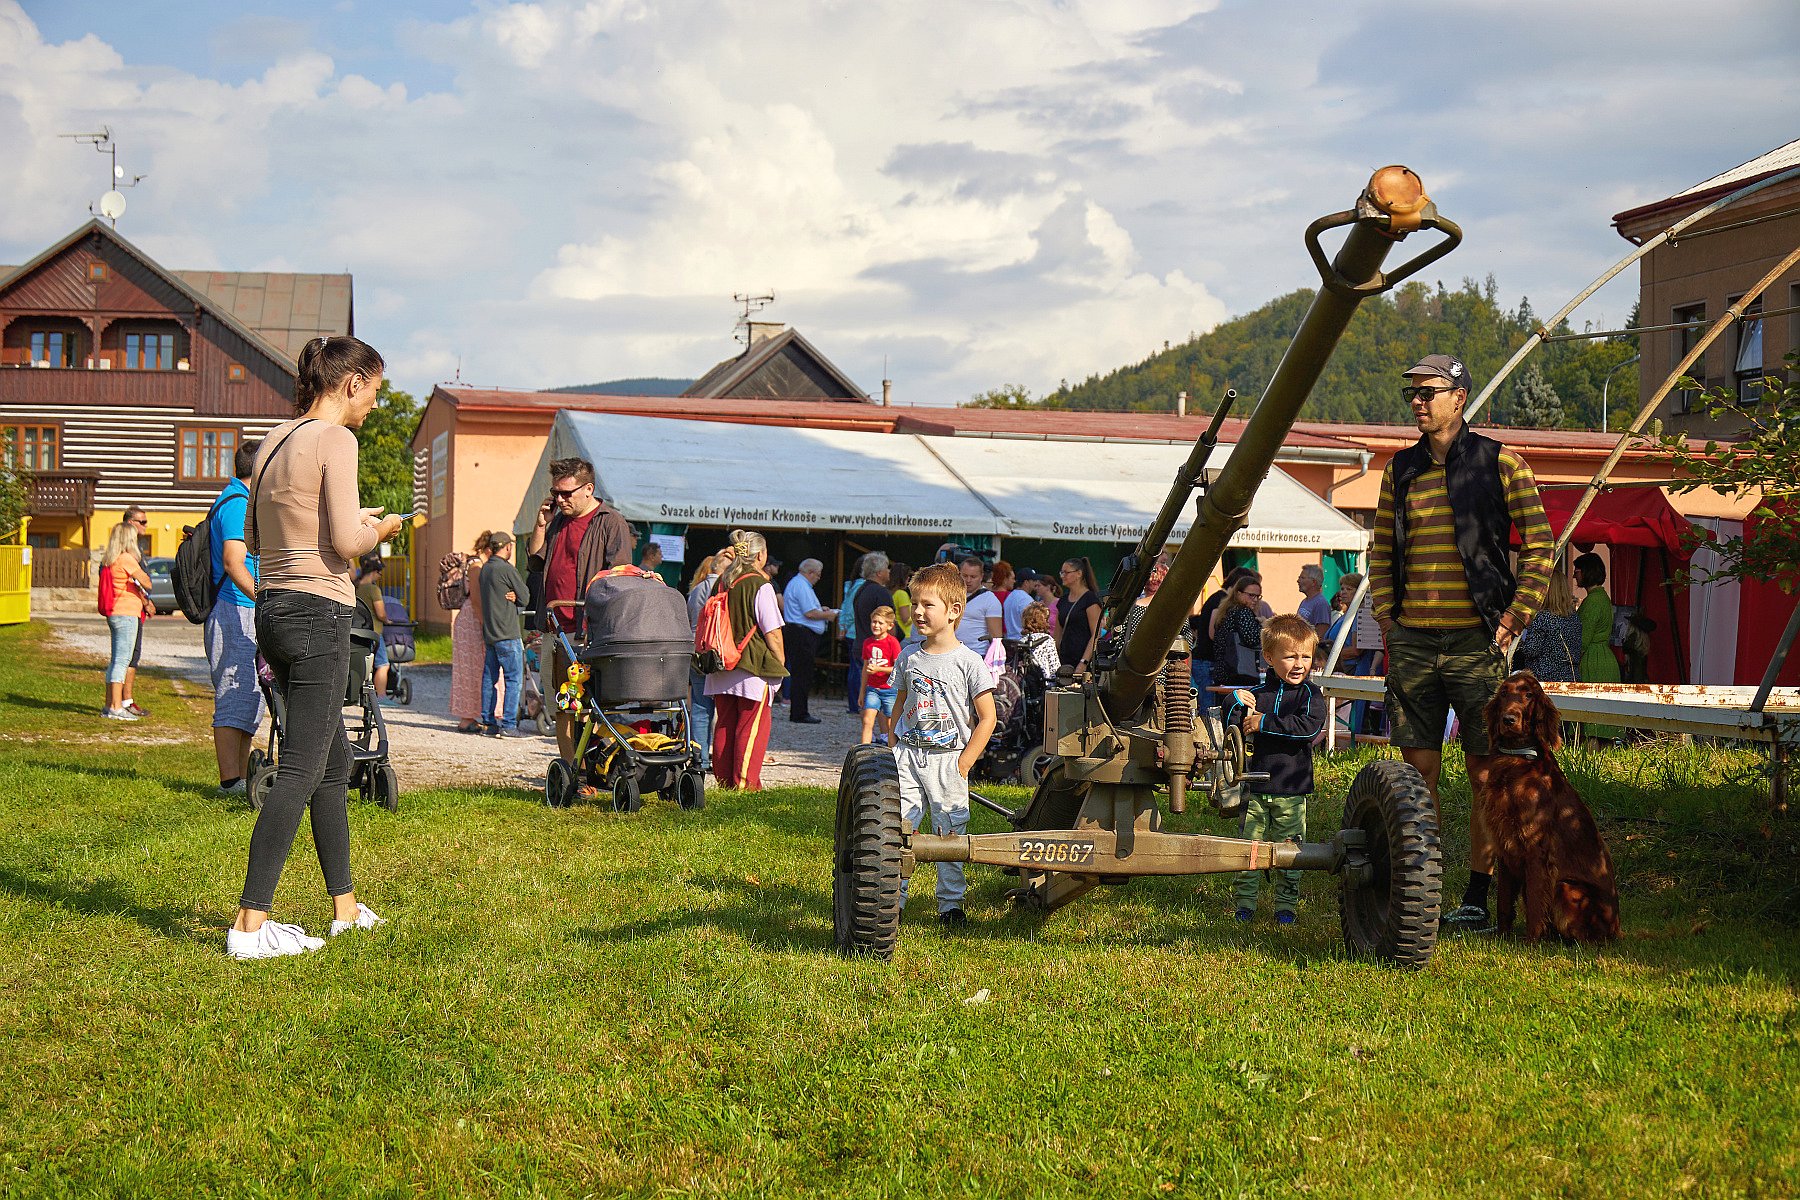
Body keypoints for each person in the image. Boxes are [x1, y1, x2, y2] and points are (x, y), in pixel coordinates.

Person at [230, 334, 403, 959]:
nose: (374, 404)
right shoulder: (337, 440)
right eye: (374, 391)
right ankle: (250, 924)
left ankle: (345, 908)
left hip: (273, 608)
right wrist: (380, 528)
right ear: (351, 383)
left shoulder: (274, 439)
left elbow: (254, 537)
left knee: (331, 764)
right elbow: (348, 542)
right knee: (301, 771)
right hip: (318, 611)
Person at [1369, 353, 1553, 933]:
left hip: (1478, 641)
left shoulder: (1502, 462)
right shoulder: (1399, 470)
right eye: (1412, 394)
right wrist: (1388, 619)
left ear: (1459, 397)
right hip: (1413, 642)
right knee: (1417, 772)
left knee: (1484, 775)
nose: (1417, 402)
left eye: (1428, 392)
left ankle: (1476, 898)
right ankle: (1419, 889)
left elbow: (1541, 545)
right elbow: (1380, 550)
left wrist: (1515, 618)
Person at [891, 563, 997, 926]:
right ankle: (892, 900)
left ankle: (950, 905)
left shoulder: (969, 662)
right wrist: (893, 743)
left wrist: (964, 762)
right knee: (897, 828)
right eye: (915, 604)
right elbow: (900, 702)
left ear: (954, 610)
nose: (918, 612)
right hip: (908, 756)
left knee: (950, 835)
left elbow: (987, 718)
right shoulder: (908, 656)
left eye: (927, 605)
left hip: (948, 760)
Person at [527, 456, 635, 760]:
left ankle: (592, 767)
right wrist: (540, 525)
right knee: (561, 705)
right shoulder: (558, 521)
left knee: (588, 706)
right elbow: (535, 562)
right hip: (554, 629)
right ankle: (570, 770)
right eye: (555, 493)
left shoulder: (610, 522)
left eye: (567, 493)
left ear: (588, 489)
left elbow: (620, 576)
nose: (560, 499)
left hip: (586, 632)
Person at [1224, 614, 1327, 925]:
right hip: (1254, 788)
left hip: (1291, 790)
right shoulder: (1257, 695)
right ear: (1269, 657)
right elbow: (1231, 728)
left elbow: (1308, 729)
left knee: (1290, 852)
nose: (1299, 664)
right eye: (1290, 657)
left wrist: (1264, 722)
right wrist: (1233, 702)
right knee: (1249, 850)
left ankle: (1286, 906)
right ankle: (1245, 904)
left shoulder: (1311, 695)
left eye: (1305, 657)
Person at [202, 439, 265, 791]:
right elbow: (233, 562)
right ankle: (229, 781)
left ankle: (240, 779)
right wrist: (262, 598)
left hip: (240, 607)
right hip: (235, 607)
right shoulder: (238, 504)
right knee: (233, 689)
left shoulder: (238, 499)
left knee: (248, 693)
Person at [705, 531, 787, 790]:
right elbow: (772, 633)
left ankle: (724, 784)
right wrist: (780, 663)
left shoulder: (722, 582)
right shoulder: (760, 584)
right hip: (752, 665)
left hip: (720, 662)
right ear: (760, 555)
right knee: (751, 728)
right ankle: (745, 785)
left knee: (725, 725)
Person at [475, 531, 530, 737]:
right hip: (507, 632)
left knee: (489, 678)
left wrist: (514, 595)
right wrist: (516, 596)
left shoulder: (485, 569)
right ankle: (508, 725)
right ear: (507, 547)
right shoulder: (506, 569)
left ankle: (488, 724)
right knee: (513, 679)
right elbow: (525, 597)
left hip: (490, 633)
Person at [99, 518, 152, 721]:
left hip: (115, 612)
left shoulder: (110, 560)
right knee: (122, 661)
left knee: (115, 660)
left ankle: (108, 705)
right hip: (127, 614)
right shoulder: (126, 559)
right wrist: (137, 579)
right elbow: (147, 582)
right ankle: (116, 707)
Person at [686, 549, 733, 771]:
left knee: (699, 706)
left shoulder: (696, 589)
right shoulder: (723, 589)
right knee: (722, 708)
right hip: (715, 653)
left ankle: (700, 757)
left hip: (694, 651)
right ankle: (720, 759)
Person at [781, 557, 837, 724]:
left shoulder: (799, 584)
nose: (819, 578)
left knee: (801, 673)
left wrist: (821, 609)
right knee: (802, 674)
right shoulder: (801, 585)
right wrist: (828, 615)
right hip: (801, 634)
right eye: (818, 574)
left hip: (800, 632)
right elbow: (809, 613)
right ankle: (799, 712)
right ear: (810, 572)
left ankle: (799, 710)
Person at [1574, 553, 1624, 739]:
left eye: (1578, 570)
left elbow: (1582, 640)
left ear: (1587, 572)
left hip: (1593, 661)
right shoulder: (1602, 597)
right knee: (1604, 721)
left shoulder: (1593, 601)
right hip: (1605, 658)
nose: (1574, 574)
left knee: (1592, 726)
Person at [449, 531, 493, 733]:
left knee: (473, 667)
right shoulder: (476, 566)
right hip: (472, 621)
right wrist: (485, 625)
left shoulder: (474, 564)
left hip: (469, 619)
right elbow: (476, 599)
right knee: (471, 669)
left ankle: (471, 715)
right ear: (489, 549)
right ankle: (467, 718)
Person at [1513, 569, 1582, 684]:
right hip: (1571, 677)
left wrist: (1521, 639)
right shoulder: (1574, 617)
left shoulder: (1542, 617)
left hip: (1545, 679)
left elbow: (1531, 649)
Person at [846, 553, 895, 713]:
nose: (889, 571)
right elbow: (889, 620)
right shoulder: (881, 592)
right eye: (887, 568)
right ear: (879, 572)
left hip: (860, 643)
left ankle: (857, 708)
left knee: (860, 680)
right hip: (878, 650)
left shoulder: (860, 589)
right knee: (877, 693)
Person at [1211, 571, 1265, 701]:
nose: (1255, 600)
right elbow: (1252, 639)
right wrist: (1264, 627)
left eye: (1258, 596)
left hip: (1223, 671)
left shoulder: (1227, 610)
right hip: (1240, 672)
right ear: (1238, 593)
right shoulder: (1243, 611)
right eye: (1251, 595)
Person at [859, 605, 901, 745]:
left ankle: (891, 751)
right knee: (867, 720)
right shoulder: (868, 643)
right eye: (874, 622)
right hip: (872, 689)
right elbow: (865, 669)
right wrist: (862, 692)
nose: (876, 625)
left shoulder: (892, 642)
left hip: (890, 690)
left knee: (890, 724)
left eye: (880, 623)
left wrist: (879, 669)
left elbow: (897, 668)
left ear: (889, 626)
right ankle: (863, 750)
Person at [353, 556, 392, 703]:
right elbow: (380, 613)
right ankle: (381, 696)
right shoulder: (373, 589)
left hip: (358, 631)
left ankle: (358, 694)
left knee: (362, 663)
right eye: (380, 573)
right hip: (375, 632)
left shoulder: (355, 587)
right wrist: (387, 620)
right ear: (374, 572)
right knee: (383, 664)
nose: (380, 577)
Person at [1056, 557, 1101, 669]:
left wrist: (1083, 662)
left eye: (1066, 572)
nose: (1062, 576)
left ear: (1079, 574)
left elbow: (1096, 635)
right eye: (1061, 572)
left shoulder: (1090, 599)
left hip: (1083, 663)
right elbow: (1057, 636)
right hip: (1064, 662)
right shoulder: (1063, 601)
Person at [955, 555, 1003, 652]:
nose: (968, 580)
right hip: (952, 653)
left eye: (973, 577)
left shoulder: (990, 600)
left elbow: (996, 637)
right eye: (965, 576)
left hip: (978, 653)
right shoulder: (952, 595)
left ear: (981, 577)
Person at [1019, 601, 1061, 680]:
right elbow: (1054, 667)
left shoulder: (1022, 641)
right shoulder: (1047, 640)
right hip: (1045, 682)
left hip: (1027, 682)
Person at [1296, 564, 1331, 645]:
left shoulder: (1321, 604)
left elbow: (1320, 634)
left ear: (1313, 582)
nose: (1298, 581)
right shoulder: (1305, 601)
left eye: (1302, 578)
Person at [1004, 568, 1042, 639]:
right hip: (1022, 641)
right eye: (1033, 580)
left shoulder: (1010, 597)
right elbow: (1033, 624)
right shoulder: (1026, 599)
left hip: (1009, 640)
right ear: (1026, 582)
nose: (1035, 583)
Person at [888, 560, 914, 639]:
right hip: (905, 635)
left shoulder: (889, 592)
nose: (909, 579)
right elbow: (906, 619)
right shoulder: (902, 594)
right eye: (907, 576)